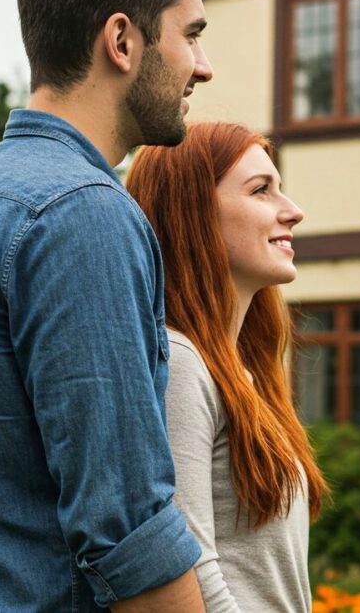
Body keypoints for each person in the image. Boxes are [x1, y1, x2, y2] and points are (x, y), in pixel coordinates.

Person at [0, 0, 220, 612]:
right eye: (190, 36)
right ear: (122, 42)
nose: (204, 66)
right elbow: (130, 533)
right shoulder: (84, 216)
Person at [126, 121, 328, 612]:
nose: (293, 211)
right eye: (262, 190)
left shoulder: (247, 373)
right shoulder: (179, 363)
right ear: (192, 212)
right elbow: (189, 568)